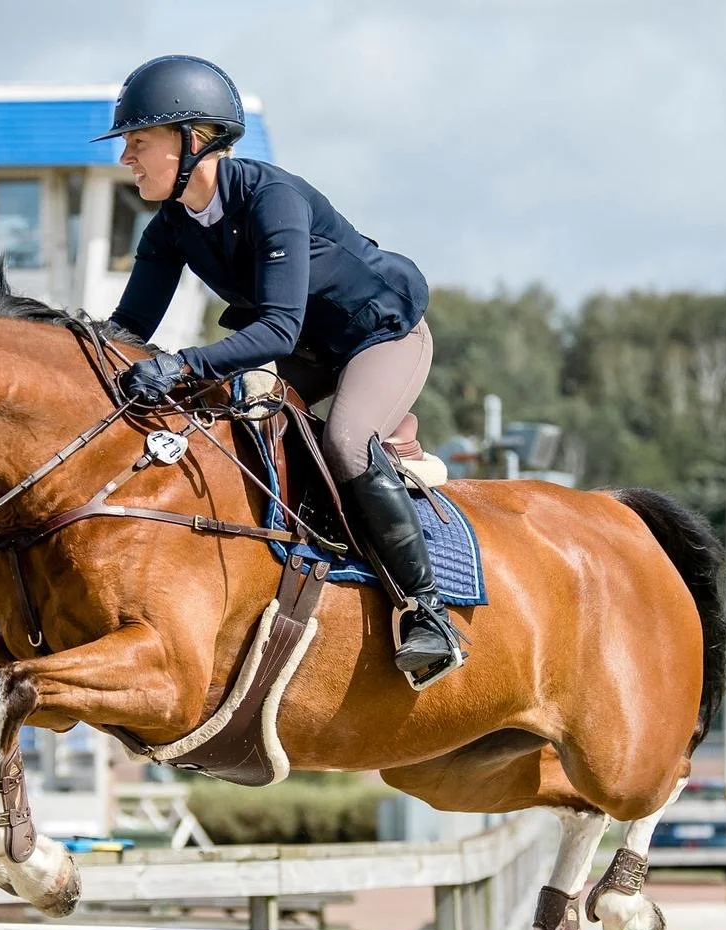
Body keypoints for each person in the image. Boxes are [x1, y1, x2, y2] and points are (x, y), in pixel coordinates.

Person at [99, 54, 461, 680]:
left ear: (193, 141)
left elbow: (276, 328)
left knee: (345, 444)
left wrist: (181, 365)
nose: (126, 157)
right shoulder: (169, 228)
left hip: (379, 337)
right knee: (218, 425)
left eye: (139, 141)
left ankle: (429, 615)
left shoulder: (273, 201)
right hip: (304, 351)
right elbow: (125, 334)